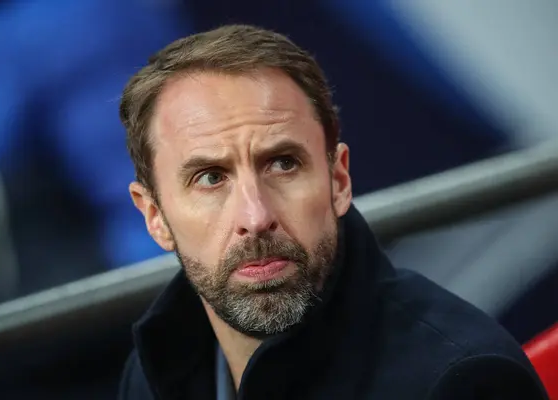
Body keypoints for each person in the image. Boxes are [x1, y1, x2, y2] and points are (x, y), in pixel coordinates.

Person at [117, 25, 548, 399]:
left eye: (284, 163)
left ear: (338, 180)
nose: (255, 214)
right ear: (155, 216)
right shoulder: (156, 369)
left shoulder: (457, 380)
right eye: (210, 178)